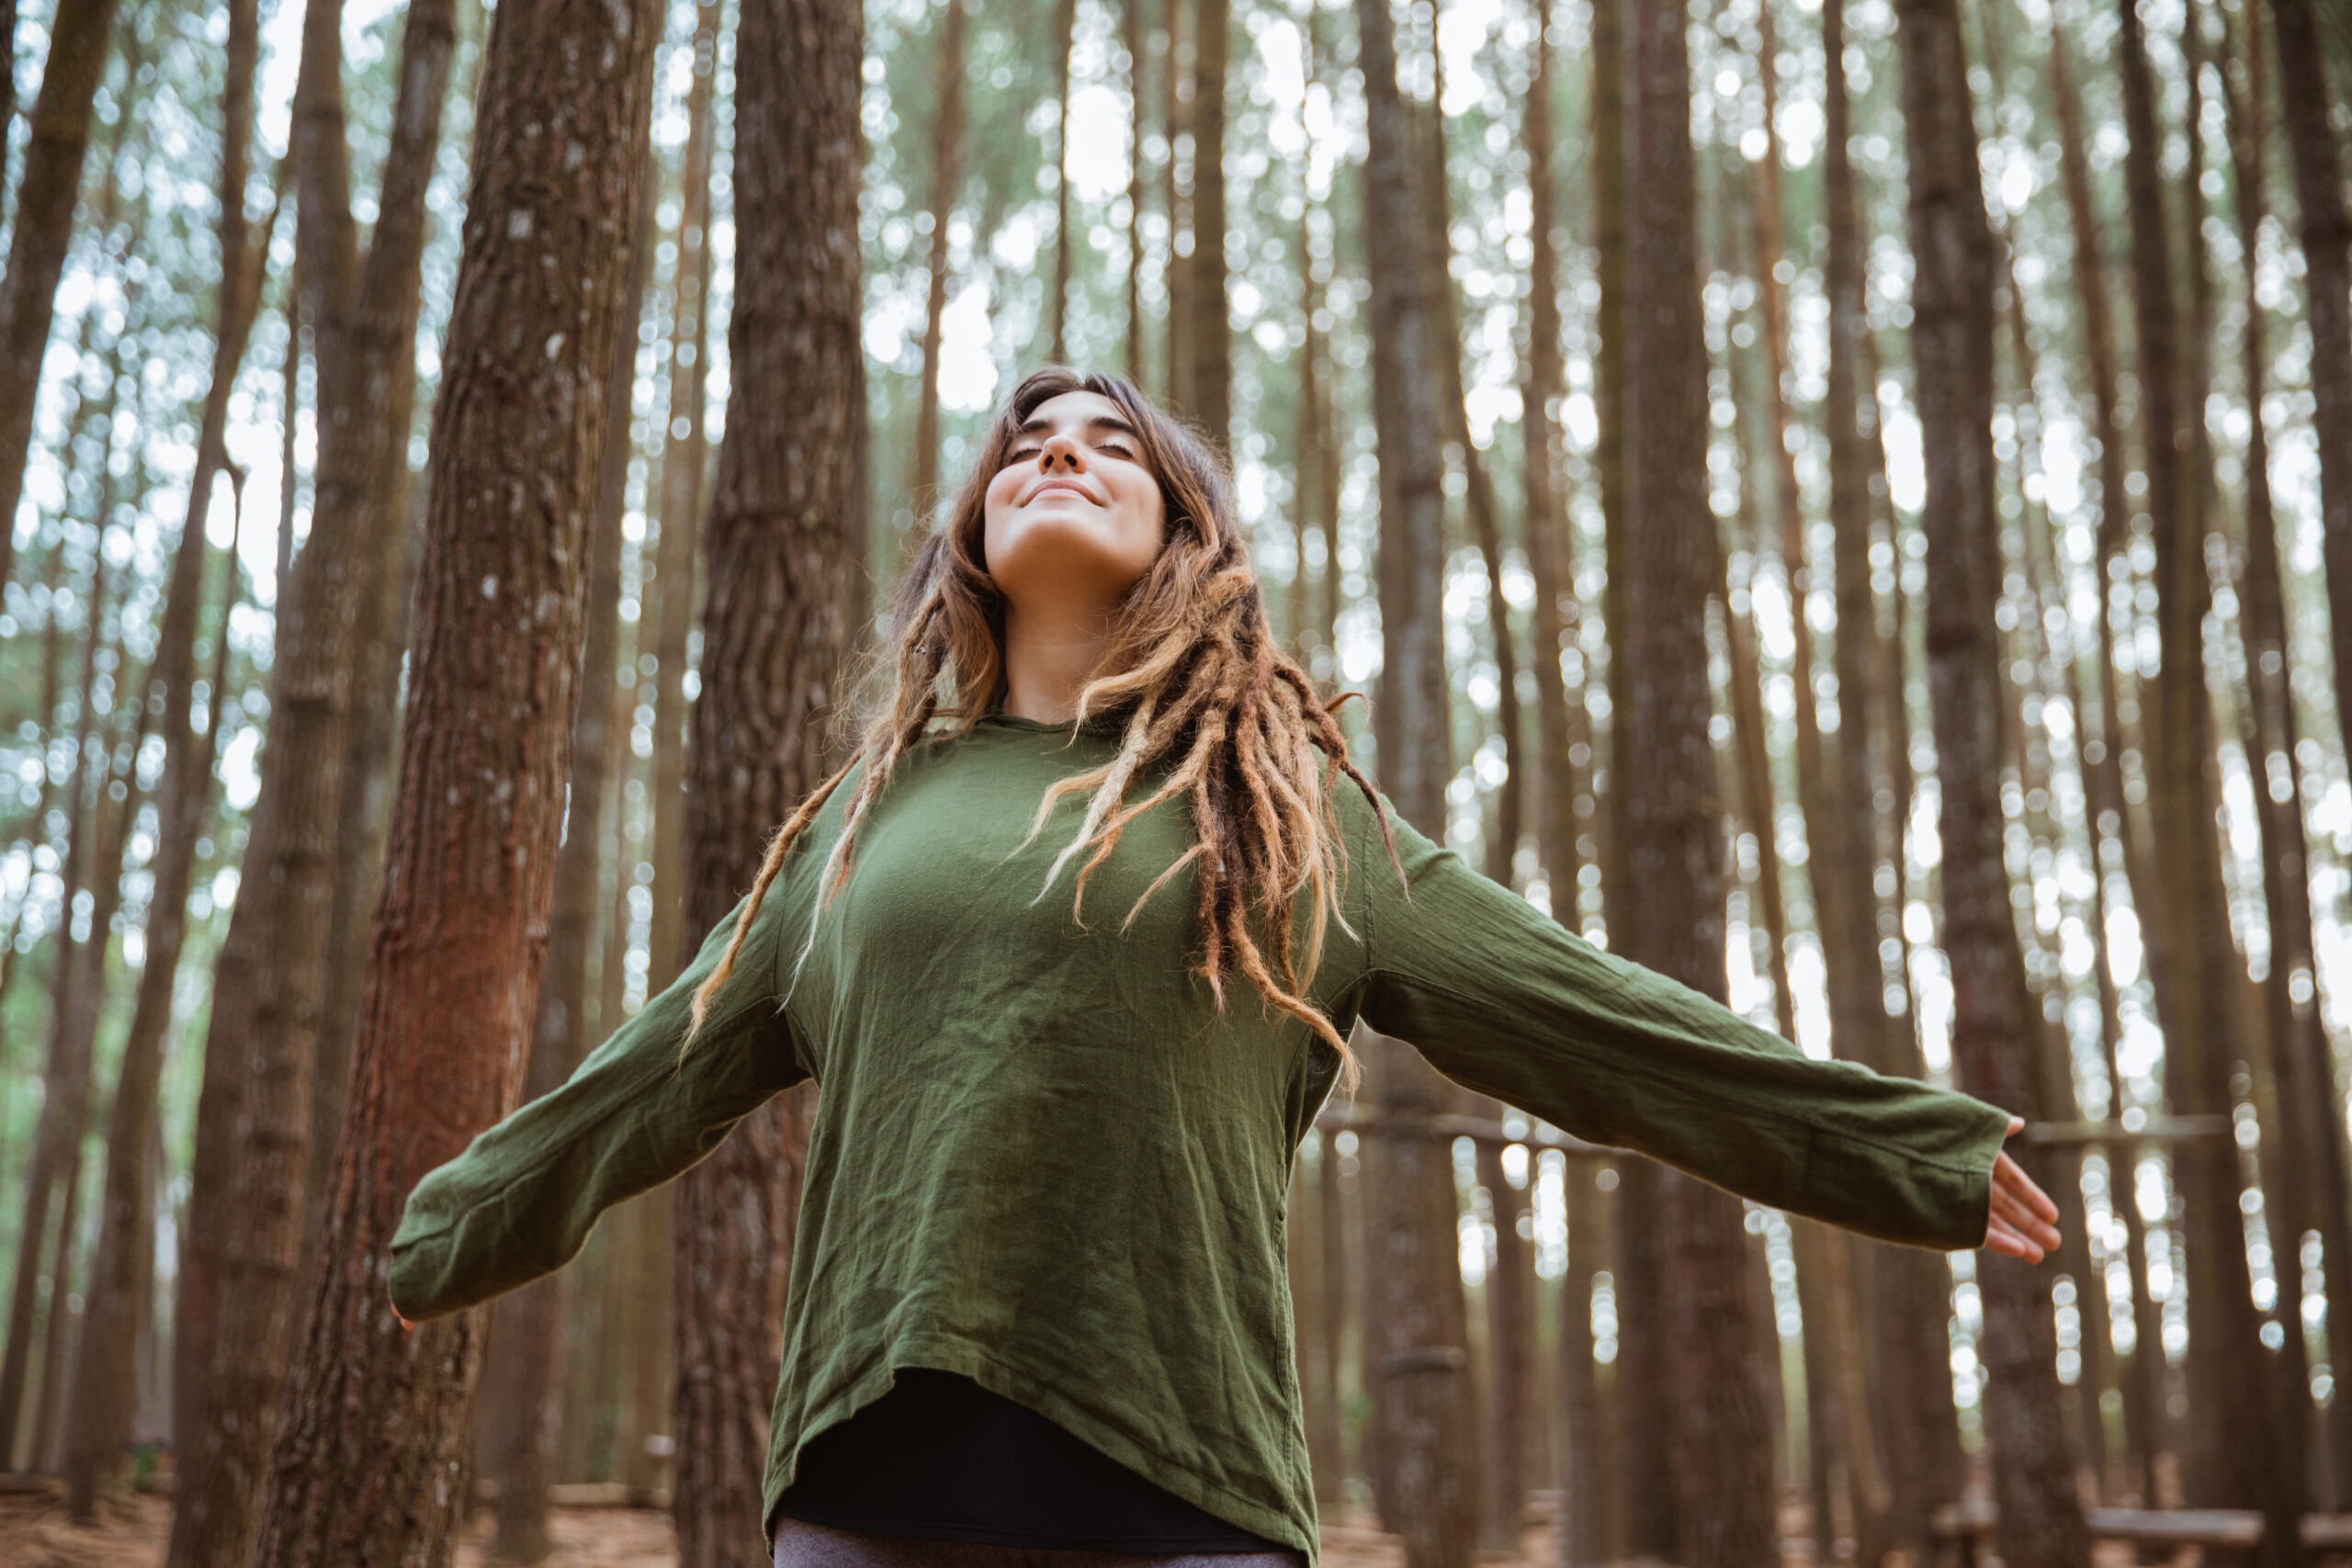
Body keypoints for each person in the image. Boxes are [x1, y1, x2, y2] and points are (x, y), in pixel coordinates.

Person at [387, 366, 2062, 1568]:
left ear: (1184, 527)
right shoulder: (858, 824)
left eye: (1111, 443)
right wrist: (451, 1223)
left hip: (1181, 1478)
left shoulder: (1281, 800)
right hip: (871, 1472)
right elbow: (653, 1070)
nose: (1058, 454)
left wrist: (1898, 1151)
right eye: (1025, 443)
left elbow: (1586, 1013)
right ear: (973, 525)